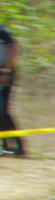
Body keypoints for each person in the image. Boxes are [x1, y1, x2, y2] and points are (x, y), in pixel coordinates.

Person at [0, 26, 20, 157]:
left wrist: (6, 71)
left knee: (2, 111)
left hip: (4, 72)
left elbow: (14, 49)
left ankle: (18, 146)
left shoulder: (1, 31)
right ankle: (5, 146)